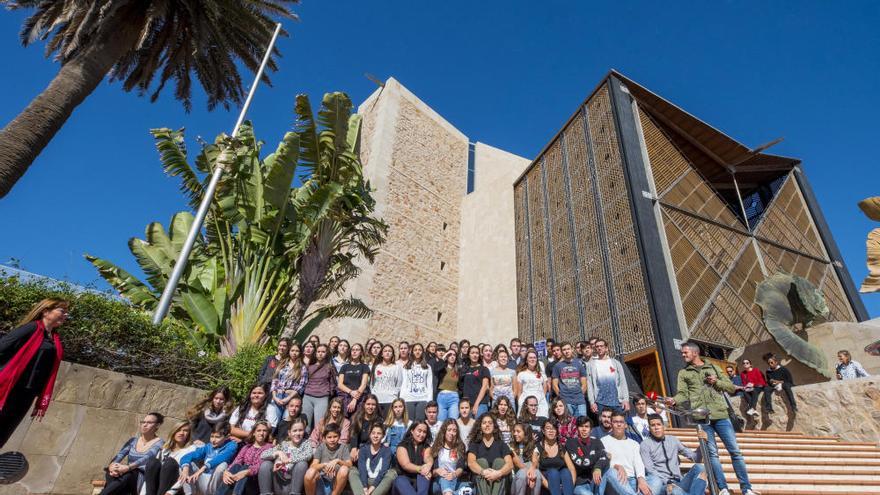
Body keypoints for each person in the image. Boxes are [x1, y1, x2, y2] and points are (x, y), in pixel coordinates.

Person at [668, 342, 757, 495]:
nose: (683, 355)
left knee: (735, 451)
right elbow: (683, 393)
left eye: (685, 353)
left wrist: (716, 381)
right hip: (702, 418)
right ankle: (722, 488)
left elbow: (729, 386)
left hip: (721, 415)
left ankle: (747, 488)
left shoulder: (713, 367)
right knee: (712, 454)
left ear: (695, 353)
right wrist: (675, 400)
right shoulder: (684, 373)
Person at [0, 298, 68, 447]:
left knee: (3, 434)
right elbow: (2, 347)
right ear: (45, 311)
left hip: (27, 394)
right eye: (62, 311)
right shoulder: (31, 328)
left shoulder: (54, 340)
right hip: (10, 389)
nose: (66, 315)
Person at [99, 412, 165, 495]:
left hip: (142, 478)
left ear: (157, 425)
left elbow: (146, 458)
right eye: (143, 422)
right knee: (110, 472)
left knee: (128, 475)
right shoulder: (133, 440)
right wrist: (112, 466)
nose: (145, 425)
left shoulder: (160, 443)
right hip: (125, 474)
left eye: (149, 423)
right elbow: (120, 455)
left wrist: (128, 467)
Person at [640, 414, 707, 495]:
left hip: (680, 482)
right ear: (649, 428)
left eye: (658, 424)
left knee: (700, 468)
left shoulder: (673, 440)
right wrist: (668, 482)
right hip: (663, 485)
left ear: (663, 426)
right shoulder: (645, 444)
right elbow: (650, 469)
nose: (656, 428)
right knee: (675, 491)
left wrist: (702, 443)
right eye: (653, 425)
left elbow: (696, 458)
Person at [178, 422, 238, 495]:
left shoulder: (232, 445)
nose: (213, 440)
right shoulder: (208, 446)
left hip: (217, 484)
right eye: (212, 436)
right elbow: (188, 456)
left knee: (222, 465)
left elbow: (221, 458)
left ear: (227, 437)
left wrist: (203, 468)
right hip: (204, 480)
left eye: (217, 437)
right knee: (185, 465)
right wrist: (185, 469)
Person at [599, 412, 651, 495]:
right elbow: (602, 464)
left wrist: (641, 479)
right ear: (611, 424)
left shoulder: (634, 444)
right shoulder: (603, 441)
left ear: (625, 425)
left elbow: (638, 463)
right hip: (615, 481)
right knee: (611, 472)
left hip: (633, 480)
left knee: (655, 479)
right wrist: (617, 466)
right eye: (615, 422)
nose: (618, 424)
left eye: (621, 422)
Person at [259, 417, 313, 495]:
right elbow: (263, 455)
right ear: (289, 433)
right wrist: (278, 452)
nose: (297, 433)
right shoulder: (284, 444)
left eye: (300, 430)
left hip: (293, 483)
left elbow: (308, 455)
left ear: (304, 431)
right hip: (278, 482)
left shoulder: (306, 444)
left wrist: (288, 460)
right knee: (266, 464)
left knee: (302, 464)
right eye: (294, 431)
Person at [216, 421, 273, 495]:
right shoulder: (247, 447)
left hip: (255, 482)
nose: (261, 433)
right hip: (240, 479)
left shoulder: (269, 447)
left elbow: (258, 466)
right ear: (254, 433)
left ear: (267, 433)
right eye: (259, 430)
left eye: (264, 431)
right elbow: (236, 461)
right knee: (236, 466)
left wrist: (246, 472)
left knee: (246, 466)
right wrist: (226, 472)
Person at [467, 413, 514, 495]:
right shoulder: (475, 444)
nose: (487, 425)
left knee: (500, 462)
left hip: (499, 478)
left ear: (494, 427)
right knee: (481, 462)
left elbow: (510, 465)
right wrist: (483, 472)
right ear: (480, 427)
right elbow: (471, 463)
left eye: (490, 423)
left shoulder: (502, 444)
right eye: (484, 423)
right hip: (481, 479)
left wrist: (498, 473)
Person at [144, 421, 195, 495]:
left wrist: (170, 492)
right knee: (153, 462)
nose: (181, 433)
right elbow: (149, 477)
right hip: (158, 488)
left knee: (170, 463)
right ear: (174, 432)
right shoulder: (164, 450)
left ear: (189, 434)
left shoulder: (191, 449)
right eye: (178, 430)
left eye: (185, 430)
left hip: (178, 490)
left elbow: (185, 475)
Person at [348, 423, 397, 495]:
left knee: (392, 473)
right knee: (352, 471)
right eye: (373, 433)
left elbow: (383, 471)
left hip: (379, 482)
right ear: (370, 435)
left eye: (379, 433)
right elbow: (362, 470)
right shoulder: (363, 449)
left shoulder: (387, 450)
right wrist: (365, 487)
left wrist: (372, 488)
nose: (375, 436)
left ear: (383, 436)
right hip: (365, 480)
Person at [304, 423, 352, 495]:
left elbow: (349, 464)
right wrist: (325, 465)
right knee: (310, 472)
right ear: (324, 438)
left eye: (335, 436)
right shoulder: (321, 447)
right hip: (321, 482)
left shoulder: (343, 447)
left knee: (344, 469)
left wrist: (337, 461)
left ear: (339, 437)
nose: (332, 440)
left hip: (336, 483)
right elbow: (313, 466)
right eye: (329, 437)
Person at [565, 416, 607, 495]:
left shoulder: (597, 441)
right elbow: (582, 463)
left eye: (586, 427)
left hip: (595, 481)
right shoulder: (571, 443)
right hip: (579, 484)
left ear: (591, 430)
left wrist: (597, 468)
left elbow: (605, 459)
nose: (584, 429)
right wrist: (599, 455)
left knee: (611, 471)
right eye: (581, 426)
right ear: (577, 429)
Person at [587, 339, 629, 414]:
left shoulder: (616, 363)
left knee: (618, 425)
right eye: (597, 347)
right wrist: (592, 402)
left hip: (617, 402)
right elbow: (590, 385)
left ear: (606, 348)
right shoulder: (591, 365)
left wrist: (626, 399)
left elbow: (623, 382)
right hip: (600, 403)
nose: (599, 348)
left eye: (601, 346)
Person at [427, 420, 466, 495]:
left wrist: (454, 475)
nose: (452, 433)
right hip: (439, 482)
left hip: (455, 480)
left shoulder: (460, 446)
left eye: (454, 431)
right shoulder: (437, 447)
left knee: (469, 488)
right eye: (449, 430)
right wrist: (437, 471)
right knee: (445, 478)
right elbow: (432, 471)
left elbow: (461, 467)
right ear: (444, 431)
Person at [392, 421, 432, 495]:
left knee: (424, 477)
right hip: (403, 478)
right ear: (412, 431)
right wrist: (421, 469)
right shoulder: (402, 446)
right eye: (419, 431)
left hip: (420, 479)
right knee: (400, 480)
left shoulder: (426, 446)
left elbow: (428, 458)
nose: (422, 434)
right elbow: (406, 465)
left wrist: (429, 465)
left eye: (424, 432)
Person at [303, 344, 338, 429]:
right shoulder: (309, 366)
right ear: (315, 353)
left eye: (323, 352)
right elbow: (304, 381)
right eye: (318, 351)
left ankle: (317, 441)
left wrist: (329, 393)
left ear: (327, 353)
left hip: (322, 398)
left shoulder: (330, 367)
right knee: (305, 423)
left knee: (320, 425)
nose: (320, 354)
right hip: (308, 396)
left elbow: (333, 383)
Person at [271, 344, 309, 421]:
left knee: (286, 422)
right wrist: (275, 397)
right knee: (273, 422)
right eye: (292, 350)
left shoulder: (302, 367)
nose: (294, 353)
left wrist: (288, 398)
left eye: (297, 351)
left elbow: (301, 386)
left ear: (300, 353)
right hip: (278, 396)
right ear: (289, 352)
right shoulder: (282, 364)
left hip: (291, 398)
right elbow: (275, 381)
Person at [552, 342, 589, 418]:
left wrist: (580, 394)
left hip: (580, 401)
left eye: (568, 349)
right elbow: (554, 385)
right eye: (564, 350)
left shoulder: (579, 364)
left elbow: (584, 383)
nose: (567, 351)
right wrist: (561, 397)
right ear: (562, 352)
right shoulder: (557, 366)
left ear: (572, 350)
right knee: (568, 423)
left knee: (582, 423)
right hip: (566, 401)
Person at [401, 343, 434, 421]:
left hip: (423, 398)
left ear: (423, 352)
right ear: (412, 352)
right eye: (415, 350)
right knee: (409, 422)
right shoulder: (407, 366)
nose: (417, 352)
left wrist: (429, 400)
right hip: (408, 398)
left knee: (420, 421)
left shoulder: (427, 367)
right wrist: (402, 399)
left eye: (420, 350)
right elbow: (404, 383)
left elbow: (429, 384)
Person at [337, 343, 371, 417]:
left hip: (359, 399)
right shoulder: (344, 367)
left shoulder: (364, 367)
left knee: (356, 422)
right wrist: (351, 392)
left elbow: (363, 385)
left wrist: (354, 400)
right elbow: (340, 384)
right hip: (345, 397)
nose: (354, 352)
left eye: (357, 350)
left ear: (361, 352)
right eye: (353, 350)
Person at [515, 350, 549, 418]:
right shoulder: (521, 374)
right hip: (526, 403)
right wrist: (521, 403)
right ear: (526, 360)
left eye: (534, 357)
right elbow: (519, 392)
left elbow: (545, 389)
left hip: (540, 403)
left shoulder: (542, 374)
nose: (532, 359)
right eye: (530, 358)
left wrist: (540, 398)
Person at [510, 422, 542, 495]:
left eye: (518, 431)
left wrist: (532, 473)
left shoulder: (533, 446)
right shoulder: (511, 446)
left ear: (526, 433)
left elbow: (535, 461)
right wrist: (530, 475)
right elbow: (518, 463)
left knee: (537, 473)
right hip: (515, 483)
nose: (515, 434)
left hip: (530, 482)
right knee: (522, 473)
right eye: (514, 431)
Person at [460, 345, 492, 417]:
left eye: (477, 353)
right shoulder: (464, 369)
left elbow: (484, 387)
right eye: (472, 353)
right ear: (468, 355)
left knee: (479, 426)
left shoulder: (484, 369)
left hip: (481, 403)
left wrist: (476, 404)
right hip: (467, 404)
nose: (475, 355)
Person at [350, 394, 382, 463]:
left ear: (376, 406)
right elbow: (353, 434)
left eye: (373, 405)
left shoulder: (379, 420)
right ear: (364, 405)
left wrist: (361, 449)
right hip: (357, 446)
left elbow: (375, 439)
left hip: (371, 447)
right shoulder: (356, 417)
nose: (370, 407)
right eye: (368, 404)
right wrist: (354, 448)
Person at [372, 344, 402, 418]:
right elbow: (372, 383)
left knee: (388, 423)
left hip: (390, 399)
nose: (387, 353)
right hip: (377, 399)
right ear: (382, 354)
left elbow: (399, 383)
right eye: (385, 351)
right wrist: (374, 394)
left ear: (392, 354)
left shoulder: (396, 367)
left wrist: (394, 394)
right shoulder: (376, 366)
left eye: (390, 351)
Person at [434, 350, 460, 420]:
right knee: (441, 422)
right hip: (442, 396)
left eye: (454, 355)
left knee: (453, 421)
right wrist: (444, 356)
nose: (452, 357)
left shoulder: (458, 370)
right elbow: (436, 368)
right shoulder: (442, 368)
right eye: (450, 355)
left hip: (454, 397)